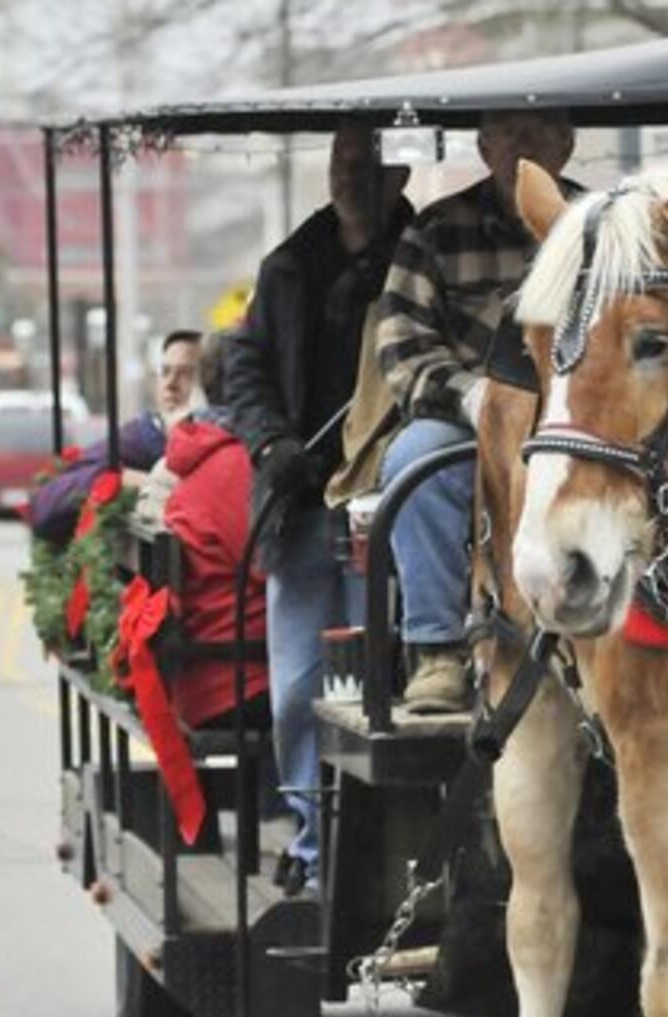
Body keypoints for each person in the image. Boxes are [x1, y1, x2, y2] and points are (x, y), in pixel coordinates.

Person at [227, 124, 414, 896]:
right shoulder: (289, 268)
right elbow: (245, 367)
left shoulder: (417, 258)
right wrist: (274, 445)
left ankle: (386, 850)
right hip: (303, 510)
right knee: (302, 688)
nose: (351, 176)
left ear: (393, 176)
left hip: (389, 509)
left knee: (384, 689)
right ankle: (313, 848)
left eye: (365, 165)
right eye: (342, 163)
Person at [373, 108, 577, 713]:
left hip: (579, 418)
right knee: (416, 459)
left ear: (566, 146)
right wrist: (473, 396)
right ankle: (436, 650)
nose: (524, 145)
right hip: (466, 416)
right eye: (509, 131)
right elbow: (400, 344)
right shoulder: (437, 230)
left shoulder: (593, 227)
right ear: (485, 146)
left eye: (540, 131)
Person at [159, 333, 271, 734]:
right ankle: (291, 798)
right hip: (238, 678)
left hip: (211, 672)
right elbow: (272, 567)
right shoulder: (237, 464)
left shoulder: (207, 448)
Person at [27, 330, 202, 544]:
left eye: (186, 373)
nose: (171, 384)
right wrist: (120, 479)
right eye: (165, 372)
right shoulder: (136, 440)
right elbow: (45, 507)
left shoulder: (222, 450)